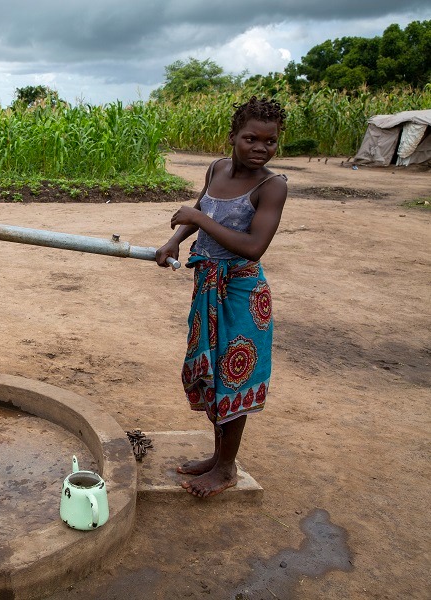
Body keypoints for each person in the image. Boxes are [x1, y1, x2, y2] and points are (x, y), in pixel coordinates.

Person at [155, 96, 288, 498]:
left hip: (242, 293)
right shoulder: (216, 169)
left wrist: (197, 220)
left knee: (234, 377)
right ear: (232, 137)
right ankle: (218, 457)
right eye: (251, 138)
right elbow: (199, 210)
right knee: (212, 374)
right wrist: (174, 240)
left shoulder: (272, 186)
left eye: (271, 141)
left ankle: (227, 468)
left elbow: (253, 246)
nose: (260, 148)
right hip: (209, 289)